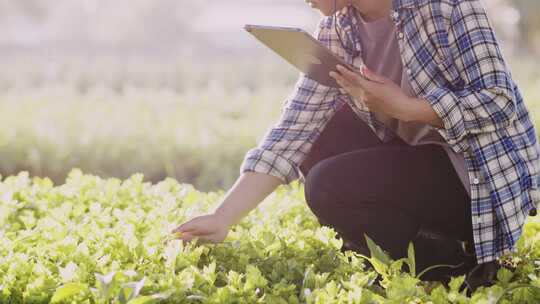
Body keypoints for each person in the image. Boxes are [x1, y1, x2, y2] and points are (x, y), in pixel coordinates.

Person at [171, 0, 540, 292]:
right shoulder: (339, 26)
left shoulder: (447, 5)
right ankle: (393, 254)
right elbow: (294, 128)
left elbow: (499, 101)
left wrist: (407, 108)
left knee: (328, 184)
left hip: (474, 176)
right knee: (319, 133)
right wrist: (222, 218)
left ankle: (456, 266)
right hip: (418, 161)